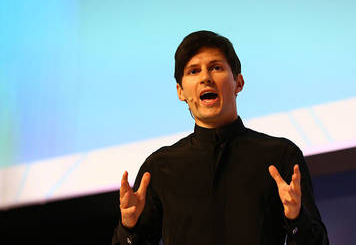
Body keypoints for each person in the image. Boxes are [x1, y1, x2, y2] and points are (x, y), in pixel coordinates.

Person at [112, 30, 329, 245]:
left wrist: (297, 218)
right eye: (193, 71)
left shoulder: (280, 155)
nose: (206, 77)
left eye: (216, 68)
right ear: (180, 92)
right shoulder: (159, 167)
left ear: (239, 83)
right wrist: (129, 227)